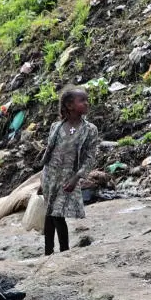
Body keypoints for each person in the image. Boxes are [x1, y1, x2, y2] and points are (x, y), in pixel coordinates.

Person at [39, 87, 100, 255]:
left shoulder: (90, 130)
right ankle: (48, 251)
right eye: (82, 101)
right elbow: (49, 153)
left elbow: (90, 157)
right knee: (50, 212)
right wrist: (41, 179)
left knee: (58, 214)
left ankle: (64, 251)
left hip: (68, 177)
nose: (87, 103)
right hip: (50, 175)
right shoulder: (56, 127)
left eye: (86, 100)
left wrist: (76, 178)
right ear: (70, 105)